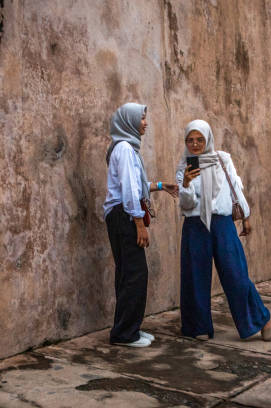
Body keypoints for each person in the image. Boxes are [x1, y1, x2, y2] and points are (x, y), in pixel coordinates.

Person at [176, 119, 271, 341]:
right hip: (195, 225)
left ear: (208, 138)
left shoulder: (222, 159)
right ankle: (198, 327)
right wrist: (186, 185)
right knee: (194, 276)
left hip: (222, 223)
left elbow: (235, 187)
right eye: (190, 140)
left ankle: (262, 318)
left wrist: (246, 216)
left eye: (199, 139)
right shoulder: (184, 166)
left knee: (235, 273)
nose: (195, 144)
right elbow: (187, 205)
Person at [103, 103, 178, 347]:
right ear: (129, 121)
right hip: (124, 216)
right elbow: (128, 188)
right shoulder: (124, 148)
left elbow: (137, 183)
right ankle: (125, 334)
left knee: (129, 274)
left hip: (122, 215)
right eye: (141, 118)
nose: (145, 122)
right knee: (135, 274)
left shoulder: (127, 148)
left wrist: (159, 186)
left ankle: (128, 329)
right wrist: (139, 223)